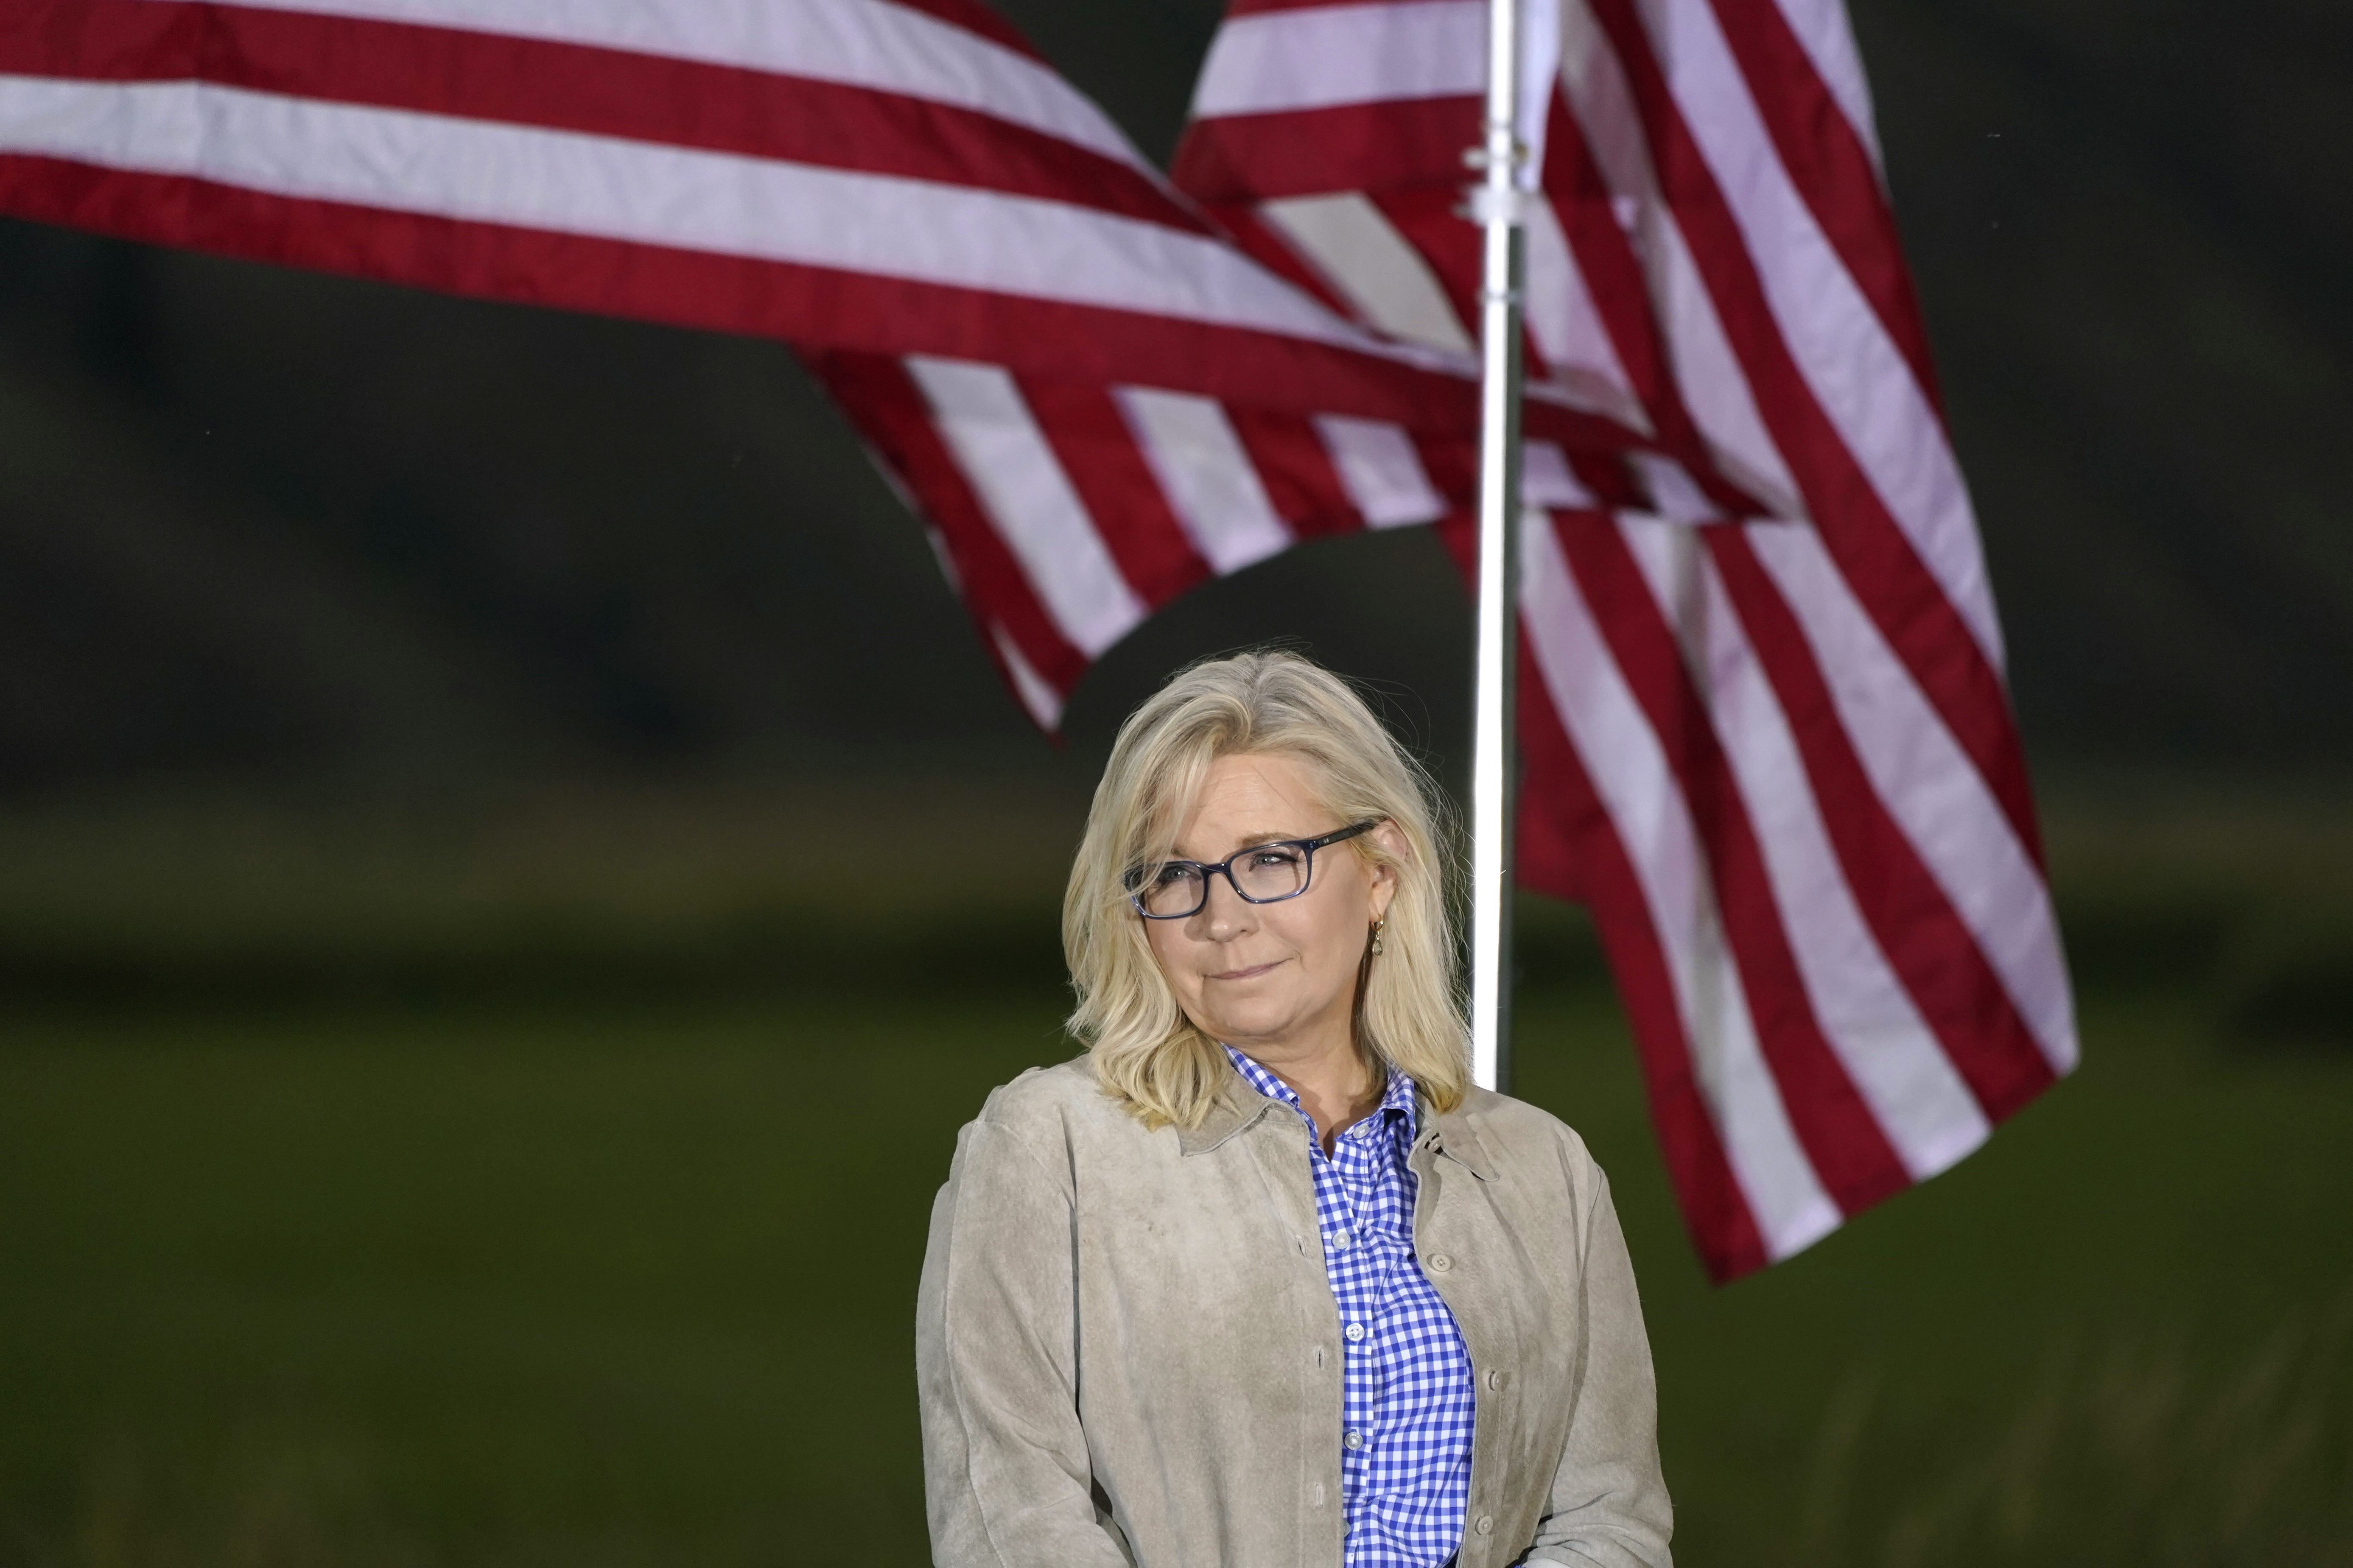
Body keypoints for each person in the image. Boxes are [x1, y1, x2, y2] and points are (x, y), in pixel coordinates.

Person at [917, 650, 1672, 1568]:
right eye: (1173, 874)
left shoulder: (1544, 1170)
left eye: (1271, 859)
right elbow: (1010, 1521)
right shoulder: (1047, 1151)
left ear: (1381, 869)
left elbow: (1611, 1521)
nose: (1221, 918)